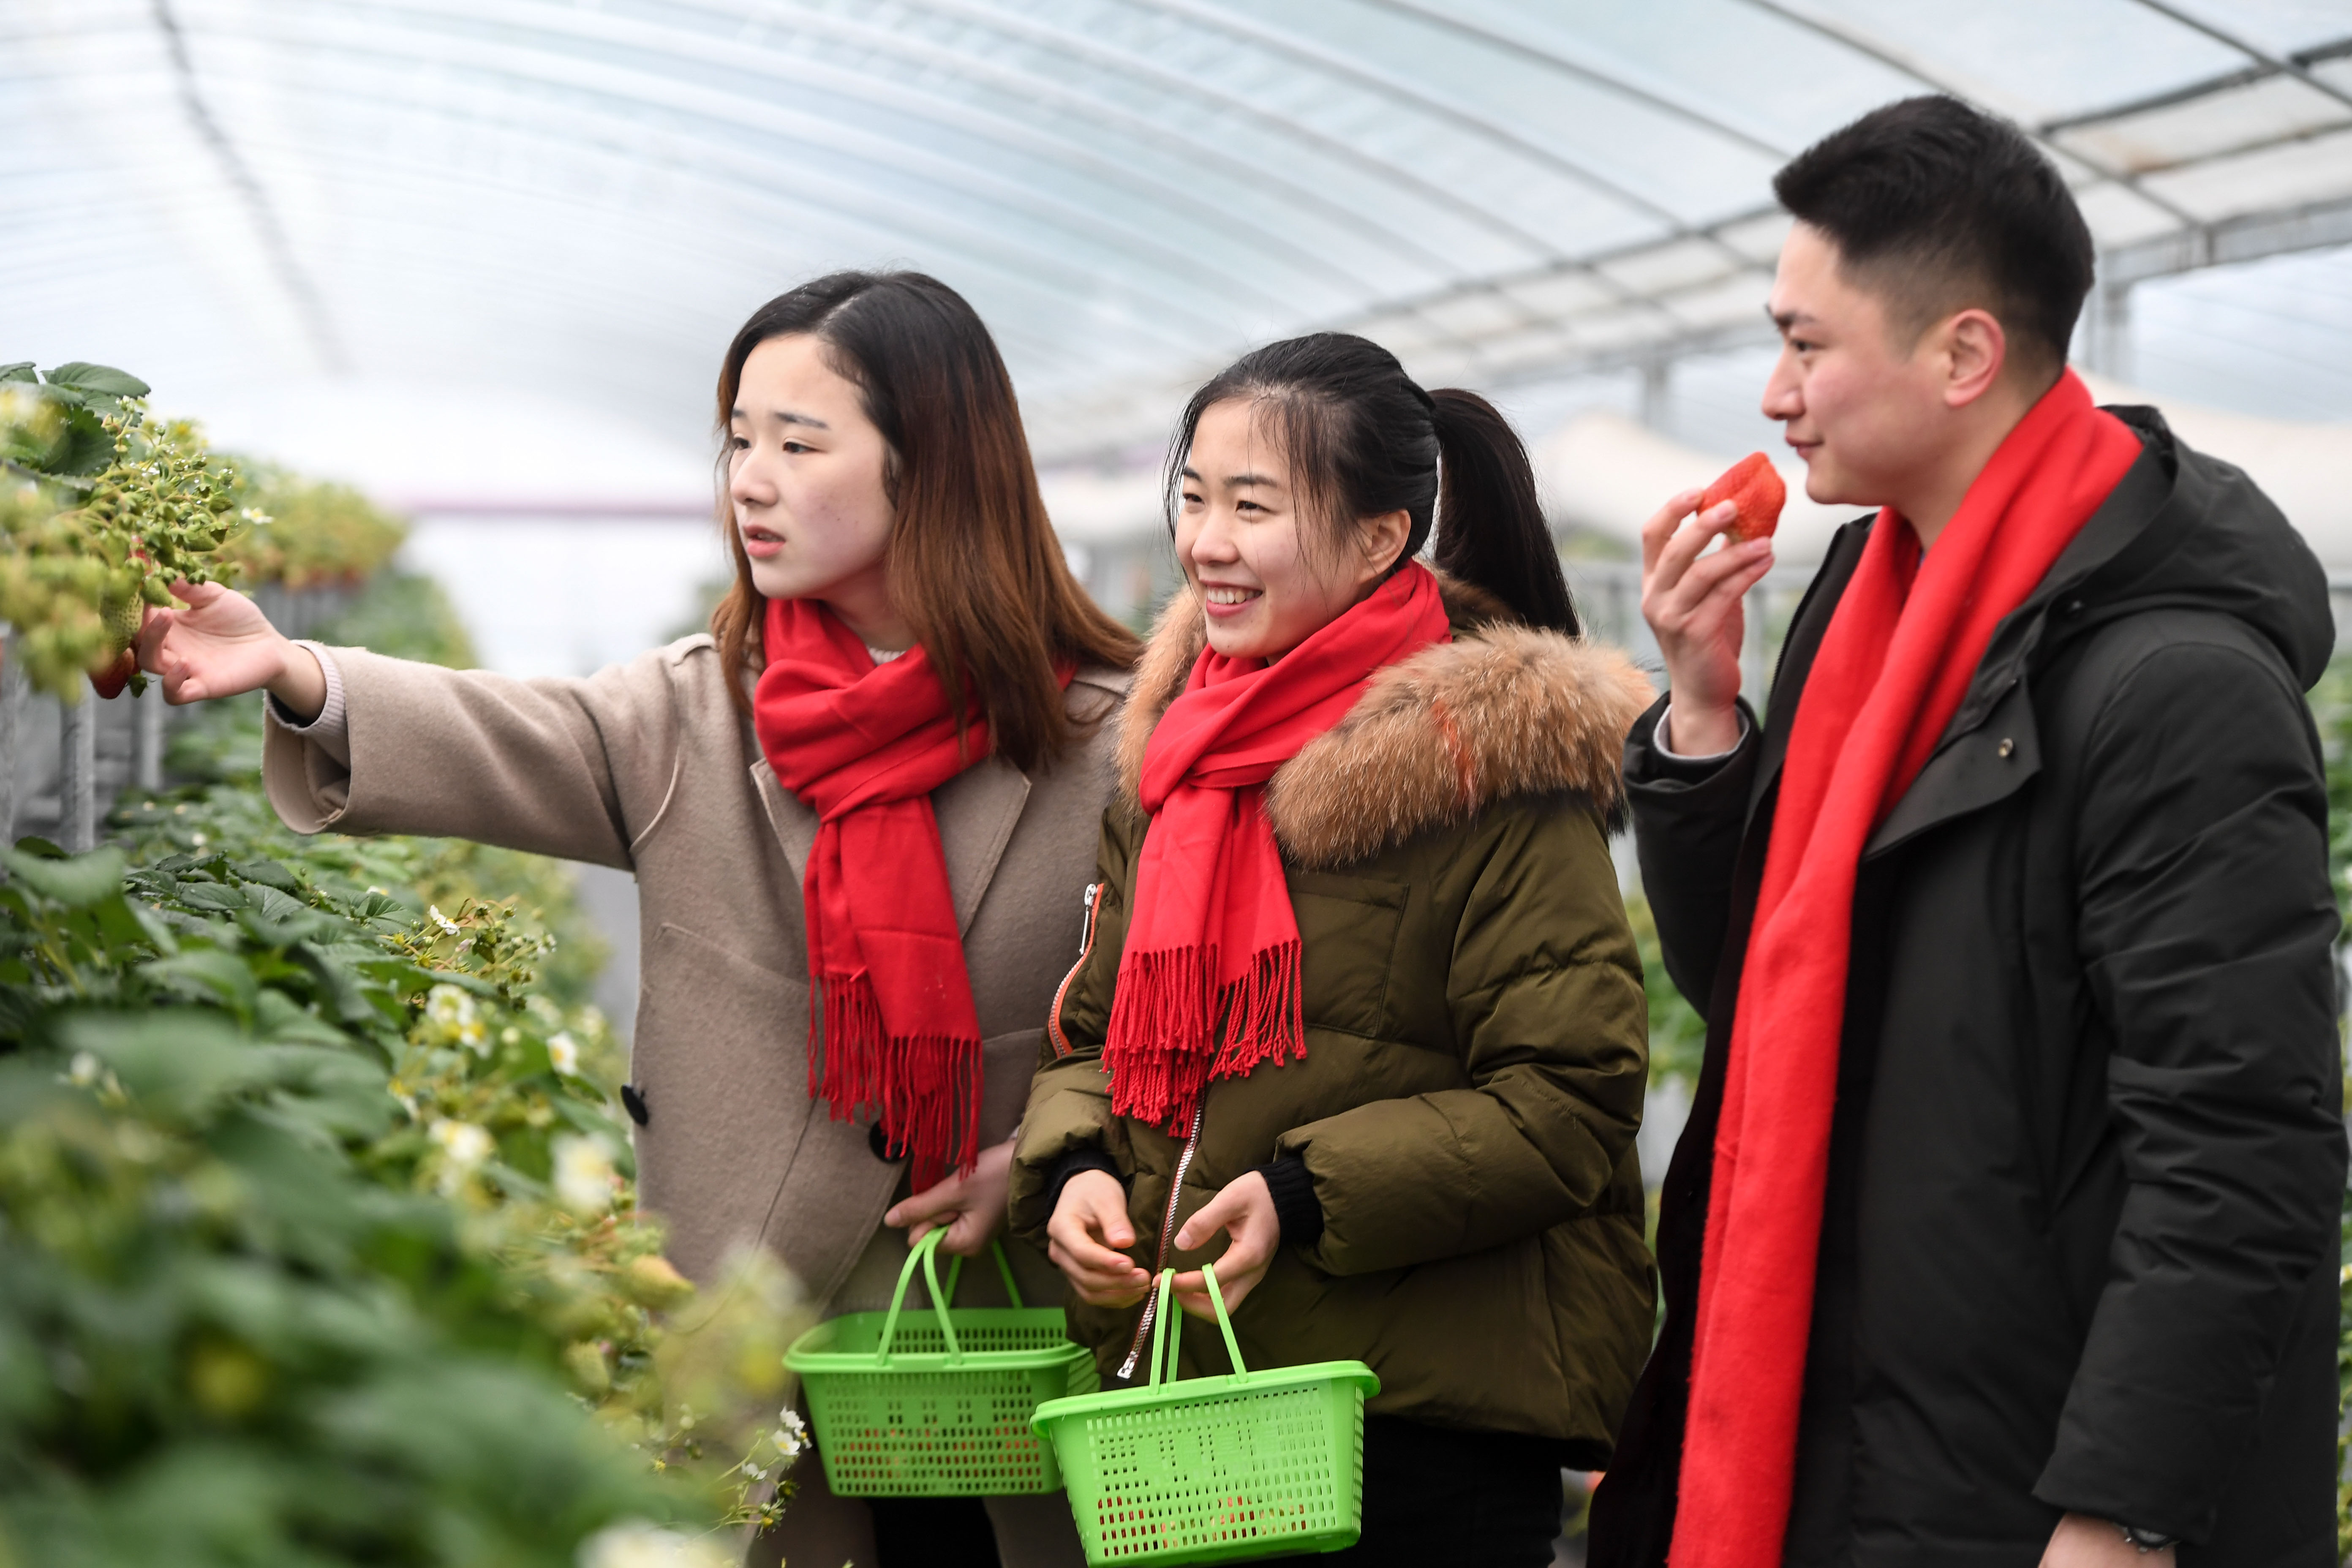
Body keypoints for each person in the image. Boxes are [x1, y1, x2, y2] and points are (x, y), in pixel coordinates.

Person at [135, 270, 1139, 1568]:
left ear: (932, 468)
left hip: (1006, 1348)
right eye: (737, 437)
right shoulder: (704, 712)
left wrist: (1059, 1156)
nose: (750, 480)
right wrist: (298, 669)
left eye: (798, 441)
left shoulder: (1109, 742)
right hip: (750, 1347)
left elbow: (1184, 1024)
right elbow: (514, 730)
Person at [1587, 97, 2344, 1568]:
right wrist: (1698, 716)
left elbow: (2240, 1145)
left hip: (2024, 1486)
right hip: (1848, 1436)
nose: (1772, 392)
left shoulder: (2176, 687)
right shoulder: (1865, 611)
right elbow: (1751, 987)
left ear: (1963, 356)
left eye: (1807, 345)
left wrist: (2121, 1507)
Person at [1007, 333, 1660, 1567]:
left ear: (1379, 537)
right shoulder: (1177, 761)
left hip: (1418, 1427)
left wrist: (1304, 1196)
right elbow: (1097, 1033)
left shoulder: (1492, 770)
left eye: (1254, 506)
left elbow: (1572, 1099)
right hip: (1203, 1406)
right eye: (1194, 498)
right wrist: (1082, 1165)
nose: (1207, 542)